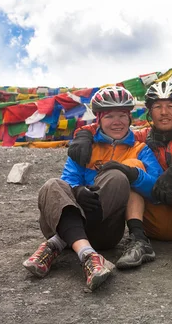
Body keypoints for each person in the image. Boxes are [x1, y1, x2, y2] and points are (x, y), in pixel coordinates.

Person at [69, 80, 172, 271]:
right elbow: (111, 129)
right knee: (130, 166)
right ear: (149, 112)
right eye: (157, 107)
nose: (164, 112)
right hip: (156, 223)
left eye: (170, 106)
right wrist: (83, 135)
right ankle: (138, 240)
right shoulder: (140, 137)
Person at [22, 86, 162, 291]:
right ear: (99, 119)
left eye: (122, 115)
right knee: (52, 184)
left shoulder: (141, 149)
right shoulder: (84, 146)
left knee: (117, 176)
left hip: (104, 231)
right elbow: (66, 184)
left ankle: (55, 245)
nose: (117, 122)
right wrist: (78, 190)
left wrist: (133, 174)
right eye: (110, 116)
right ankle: (88, 256)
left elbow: (157, 191)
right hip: (61, 222)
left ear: (130, 118)